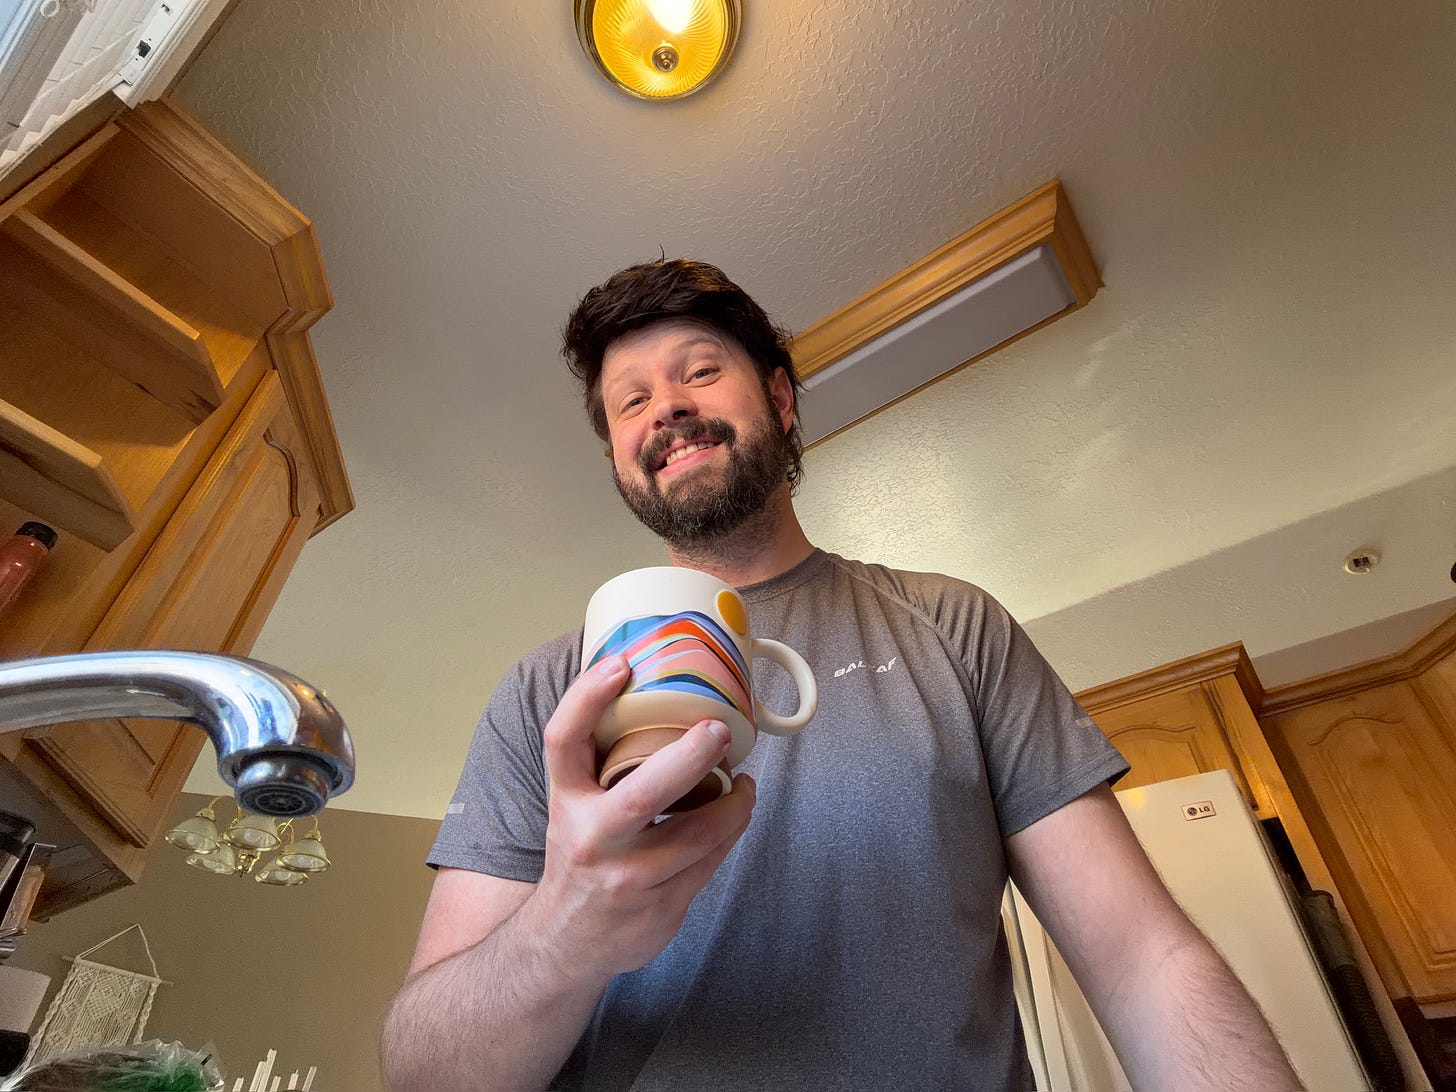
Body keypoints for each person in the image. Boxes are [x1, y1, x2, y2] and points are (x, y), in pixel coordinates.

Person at [381, 260, 1299, 1091]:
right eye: (631, 401)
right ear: (621, 460)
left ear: (780, 399)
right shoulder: (543, 696)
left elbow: (1143, 959)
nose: (665, 408)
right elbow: (425, 1076)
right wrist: (560, 934)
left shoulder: (954, 625)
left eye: (699, 372)